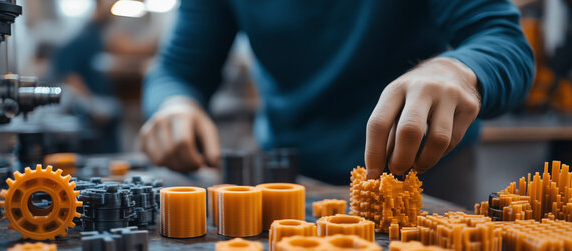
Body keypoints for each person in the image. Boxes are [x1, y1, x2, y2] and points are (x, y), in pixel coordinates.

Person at [140, 0, 534, 186]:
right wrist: (175, 103)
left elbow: (503, 40)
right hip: (288, 176)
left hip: (425, 170)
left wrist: (459, 71)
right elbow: (176, 70)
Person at [51, 0, 158, 152]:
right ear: (99, 4)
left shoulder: (100, 37)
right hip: (90, 121)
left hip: (107, 117)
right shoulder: (80, 38)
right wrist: (92, 105)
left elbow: (125, 49)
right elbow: (69, 76)